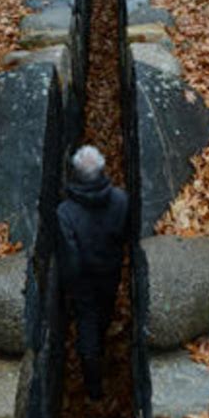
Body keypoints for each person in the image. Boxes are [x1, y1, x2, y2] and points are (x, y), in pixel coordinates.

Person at [57, 145, 129, 400]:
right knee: (104, 311)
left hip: (84, 280)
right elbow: (126, 235)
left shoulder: (66, 213)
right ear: (102, 170)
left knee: (86, 321)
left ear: (74, 175)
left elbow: (70, 258)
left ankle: (93, 380)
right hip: (110, 270)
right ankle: (101, 341)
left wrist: (69, 288)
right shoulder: (121, 200)